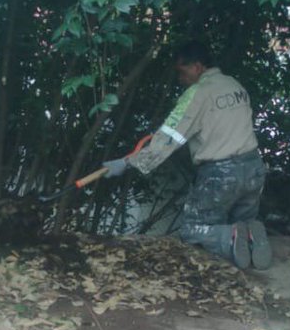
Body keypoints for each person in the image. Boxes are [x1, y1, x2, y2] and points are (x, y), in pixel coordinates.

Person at [103, 39, 272, 271]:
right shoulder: (234, 85)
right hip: (253, 168)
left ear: (197, 66)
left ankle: (231, 236)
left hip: (221, 174)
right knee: (240, 223)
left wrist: (127, 162)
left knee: (194, 230)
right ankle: (249, 230)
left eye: (182, 72)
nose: (181, 80)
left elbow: (169, 138)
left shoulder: (198, 93)